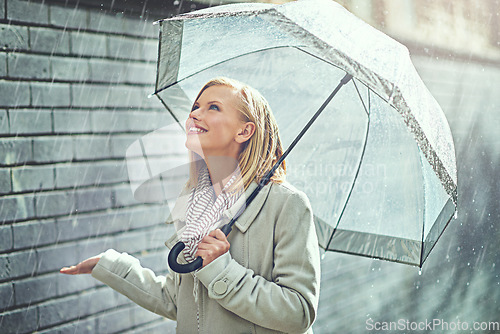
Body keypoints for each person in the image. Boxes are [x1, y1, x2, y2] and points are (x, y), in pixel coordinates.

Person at [60, 77, 321, 333]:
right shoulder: (194, 203)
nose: (195, 114)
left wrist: (221, 269)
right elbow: (180, 301)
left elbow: (299, 313)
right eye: (196, 106)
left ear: (244, 131)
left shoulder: (286, 204)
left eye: (213, 107)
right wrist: (110, 266)